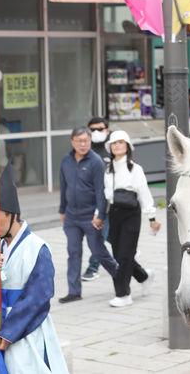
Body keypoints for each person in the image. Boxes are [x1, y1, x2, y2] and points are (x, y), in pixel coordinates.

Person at [0, 162, 68, 373]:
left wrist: (10, 332)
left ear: (12, 214)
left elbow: (39, 296)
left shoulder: (37, 248)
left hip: (26, 326)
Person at [58, 126, 118, 303]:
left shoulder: (96, 161)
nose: (83, 144)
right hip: (71, 216)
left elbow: (101, 191)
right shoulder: (65, 160)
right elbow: (64, 187)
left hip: (90, 216)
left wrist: (100, 215)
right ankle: (74, 291)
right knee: (73, 253)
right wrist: (62, 210)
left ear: (90, 141)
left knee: (99, 251)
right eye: (79, 141)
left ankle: (120, 279)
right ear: (72, 142)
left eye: (86, 141)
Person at [104, 130, 160, 307]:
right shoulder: (108, 169)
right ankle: (144, 276)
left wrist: (152, 217)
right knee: (118, 254)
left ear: (127, 146)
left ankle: (123, 294)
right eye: (114, 143)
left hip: (131, 213)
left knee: (126, 255)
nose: (117, 146)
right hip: (114, 212)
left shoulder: (136, 169)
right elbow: (106, 194)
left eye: (121, 142)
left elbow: (144, 193)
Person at [82, 116, 111, 282]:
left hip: (114, 201)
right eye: (92, 130)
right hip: (94, 201)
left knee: (99, 235)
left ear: (107, 130)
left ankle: (93, 268)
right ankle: (131, 253)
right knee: (106, 233)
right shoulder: (86, 150)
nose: (96, 133)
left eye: (100, 129)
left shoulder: (114, 146)